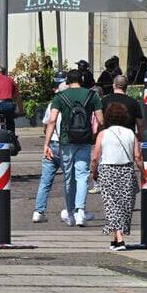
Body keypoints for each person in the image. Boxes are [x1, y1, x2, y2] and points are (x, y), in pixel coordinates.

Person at [45, 68, 105, 227]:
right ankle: (80, 212)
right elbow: (101, 119)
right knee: (82, 175)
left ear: (67, 81)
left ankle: (70, 212)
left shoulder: (59, 97)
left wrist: (47, 143)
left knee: (69, 177)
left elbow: (51, 121)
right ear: (82, 80)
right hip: (84, 140)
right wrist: (96, 134)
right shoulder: (92, 95)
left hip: (66, 141)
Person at [91, 102, 143, 250]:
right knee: (125, 205)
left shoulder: (103, 134)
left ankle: (119, 239)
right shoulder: (131, 134)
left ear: (108, 117)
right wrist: (143, 174)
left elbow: (95, 158)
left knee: (111, 205)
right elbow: (138, 157)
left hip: (108, 171)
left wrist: (94, 173)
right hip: (126, 170)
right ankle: (115, 240)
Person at [32, 78, 68, 223]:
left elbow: (46, 124)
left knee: (45, 181)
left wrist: (46, 142)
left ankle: (38, 211)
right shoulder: (72, 104)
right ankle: (71, 210)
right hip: (66, 146)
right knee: (69, 179)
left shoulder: (52, 104)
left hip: (51, 144)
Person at [101, 75, 143, 139]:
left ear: (114, 85)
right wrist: (138, 137)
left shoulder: (104, 101)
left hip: (109, 137)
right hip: (128, 137)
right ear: (126, 87)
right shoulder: (133, 102)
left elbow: (100, 122)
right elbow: (140, 125)